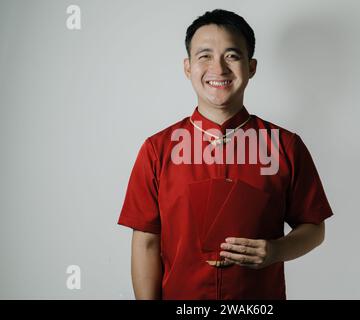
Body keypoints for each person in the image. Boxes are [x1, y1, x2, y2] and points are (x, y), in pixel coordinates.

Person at [118, 9, 333, 300]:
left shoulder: (285, 146)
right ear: (187, 67)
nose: (218, 69)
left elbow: (314, 227)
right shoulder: (157, 150)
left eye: (232, 55)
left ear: (251, 66)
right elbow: (146, 242)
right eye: (204, 55)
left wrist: (275, 251)